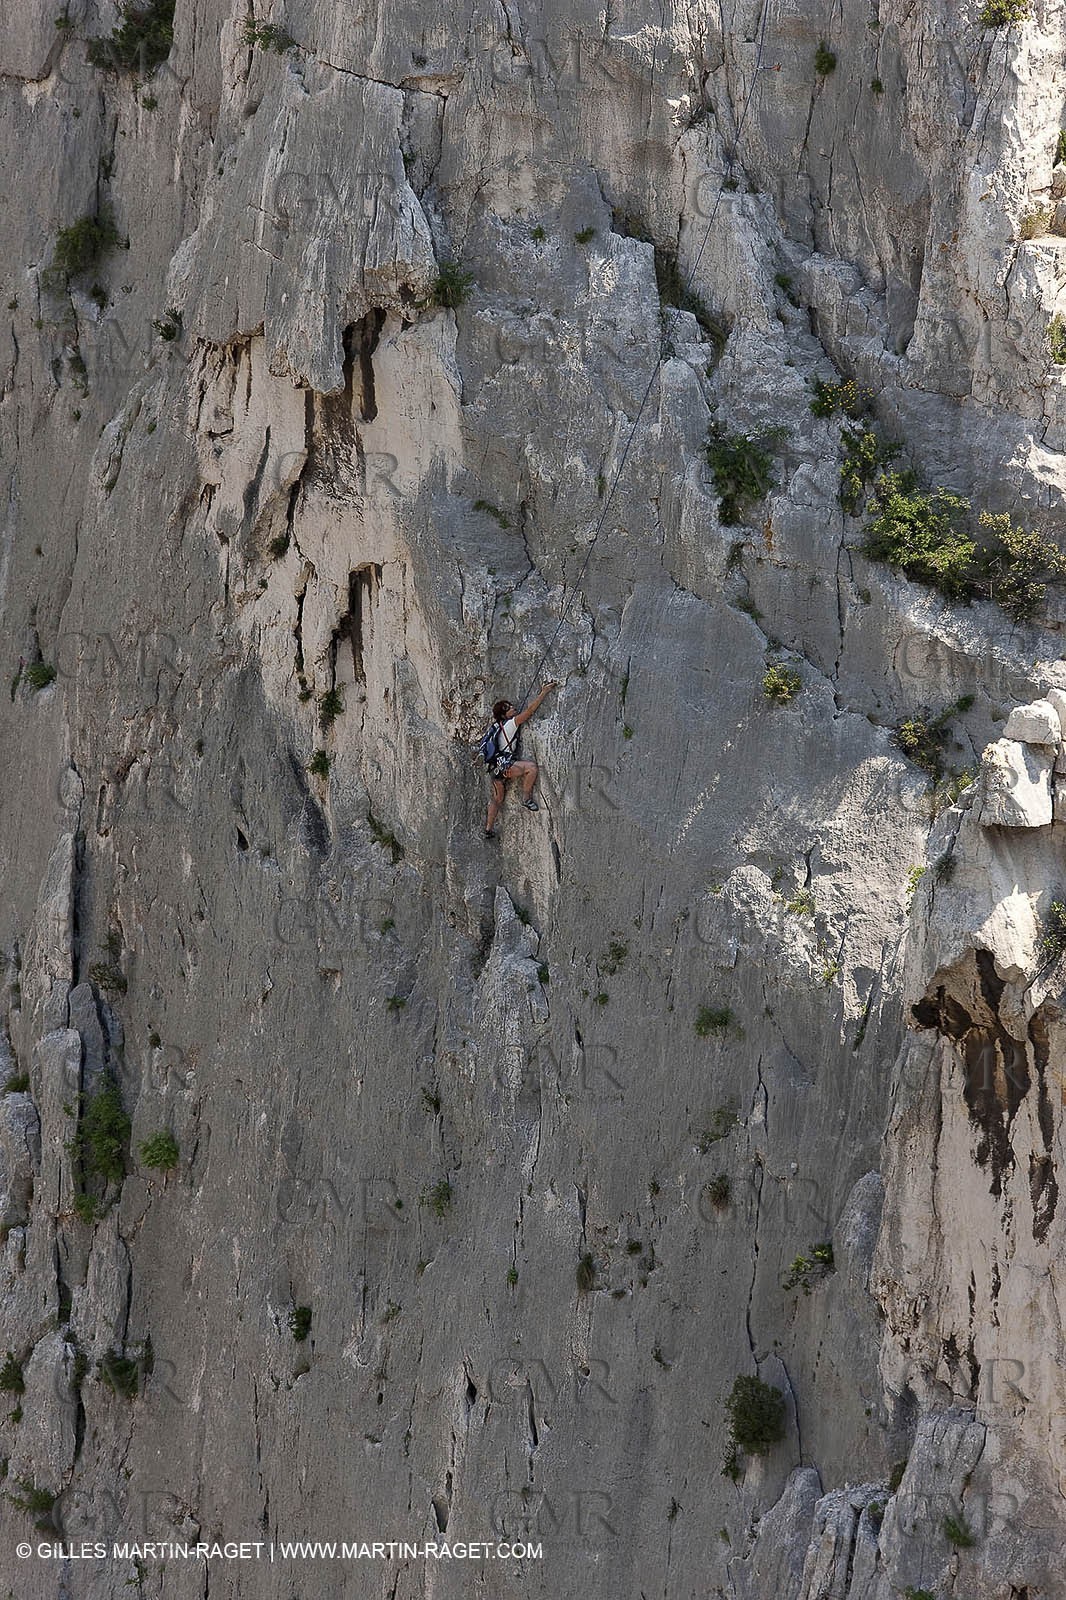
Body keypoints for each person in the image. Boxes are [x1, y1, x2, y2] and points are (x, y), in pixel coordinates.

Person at [484, 681, 557, 839]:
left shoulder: (498, 727)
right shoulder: (511, 724)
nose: (513, 708)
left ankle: (488, 828)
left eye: (511, 705)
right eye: (509, 708)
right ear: (504, 715)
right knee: (531, 768)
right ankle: (526, 798)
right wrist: (544, 692)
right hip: (505, 767)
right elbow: (530, 711)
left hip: (495, 769)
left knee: (497, 799)